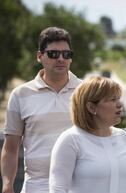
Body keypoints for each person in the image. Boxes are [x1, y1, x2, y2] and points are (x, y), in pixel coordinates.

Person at [1, 27, 82, 193]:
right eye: (53, 54)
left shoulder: (85, 91)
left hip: (80, 185)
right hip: (36, 187)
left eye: (66, 54)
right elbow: (10, 147)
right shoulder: (20, 95)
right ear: (40, 56)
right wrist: (7, 184)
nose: (61, 59)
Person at [49, 76, 126, 193]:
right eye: (112, 100)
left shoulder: (122, 137)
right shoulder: (71, 139)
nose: (119, 104)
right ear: (91, 107)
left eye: (118, 98)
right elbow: (58, 189)